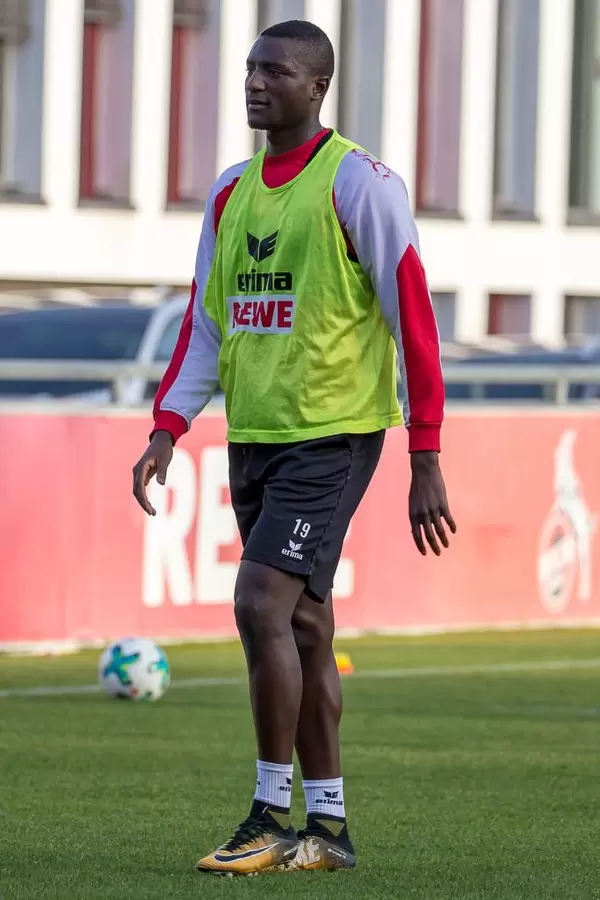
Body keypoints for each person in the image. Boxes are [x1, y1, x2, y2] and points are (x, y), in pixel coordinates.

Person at [132, 18, 455, 878]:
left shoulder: (360, 185)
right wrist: (168, 429)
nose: (255, 82)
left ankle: (270, 814)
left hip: (334, 436)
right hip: (259, 439)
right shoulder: (231, 192)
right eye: (250, 68)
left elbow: (413, 317)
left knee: (259, 606)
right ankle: (330, 830)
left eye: (275, 70)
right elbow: (207, 320)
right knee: (307, 624)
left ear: (318, 87)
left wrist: (425, 452)